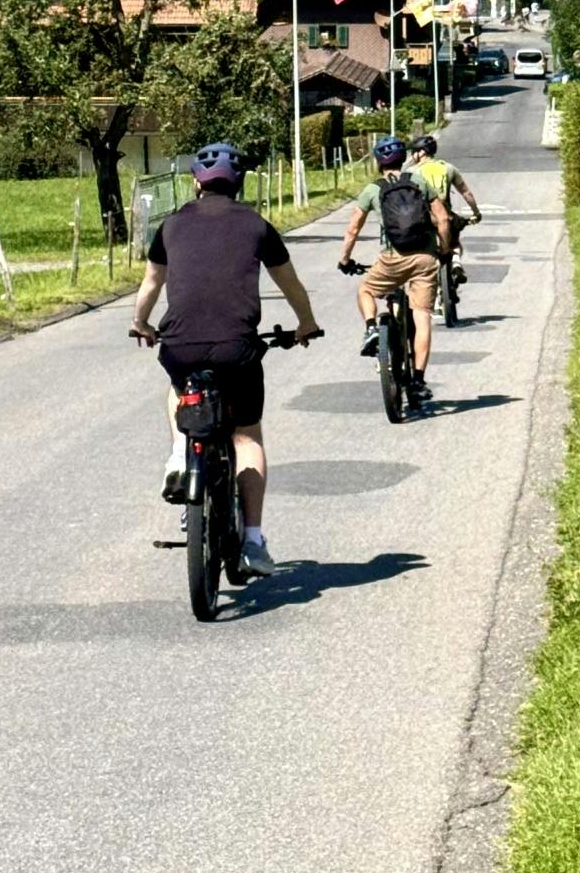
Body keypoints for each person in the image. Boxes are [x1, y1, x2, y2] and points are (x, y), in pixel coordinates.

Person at [130, 143, 320, 578]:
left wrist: (141, 322)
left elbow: (151, 282)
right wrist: (305, 323)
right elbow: (289, 283)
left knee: (179, 389)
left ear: (196, 182)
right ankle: (253, 540)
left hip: (180, 346)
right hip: (238, 349)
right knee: (247, 436)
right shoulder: (257, 225)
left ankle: (180, 453)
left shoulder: (172, 225)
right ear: (240, 184)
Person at [339, 135, 451, 408]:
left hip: (392, 259)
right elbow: (443, 218)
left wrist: (345, 259)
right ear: (404, 159)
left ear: (378, 162)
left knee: (366, 289)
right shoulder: (419, 182)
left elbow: (353, 228)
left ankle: (371, 329)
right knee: (422, 316)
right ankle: (418, 382)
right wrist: (445, 250)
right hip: (424, 258)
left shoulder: (373, 190)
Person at [408, 133, 483, 283]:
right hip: (445, 215)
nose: (413, 155)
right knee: (454, 242)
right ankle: (456, 263)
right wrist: (476, 212)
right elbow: (466, 192)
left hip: (423, 217)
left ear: (421, 152)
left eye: (414, 152)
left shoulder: (412, 172)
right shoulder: (448, 168)